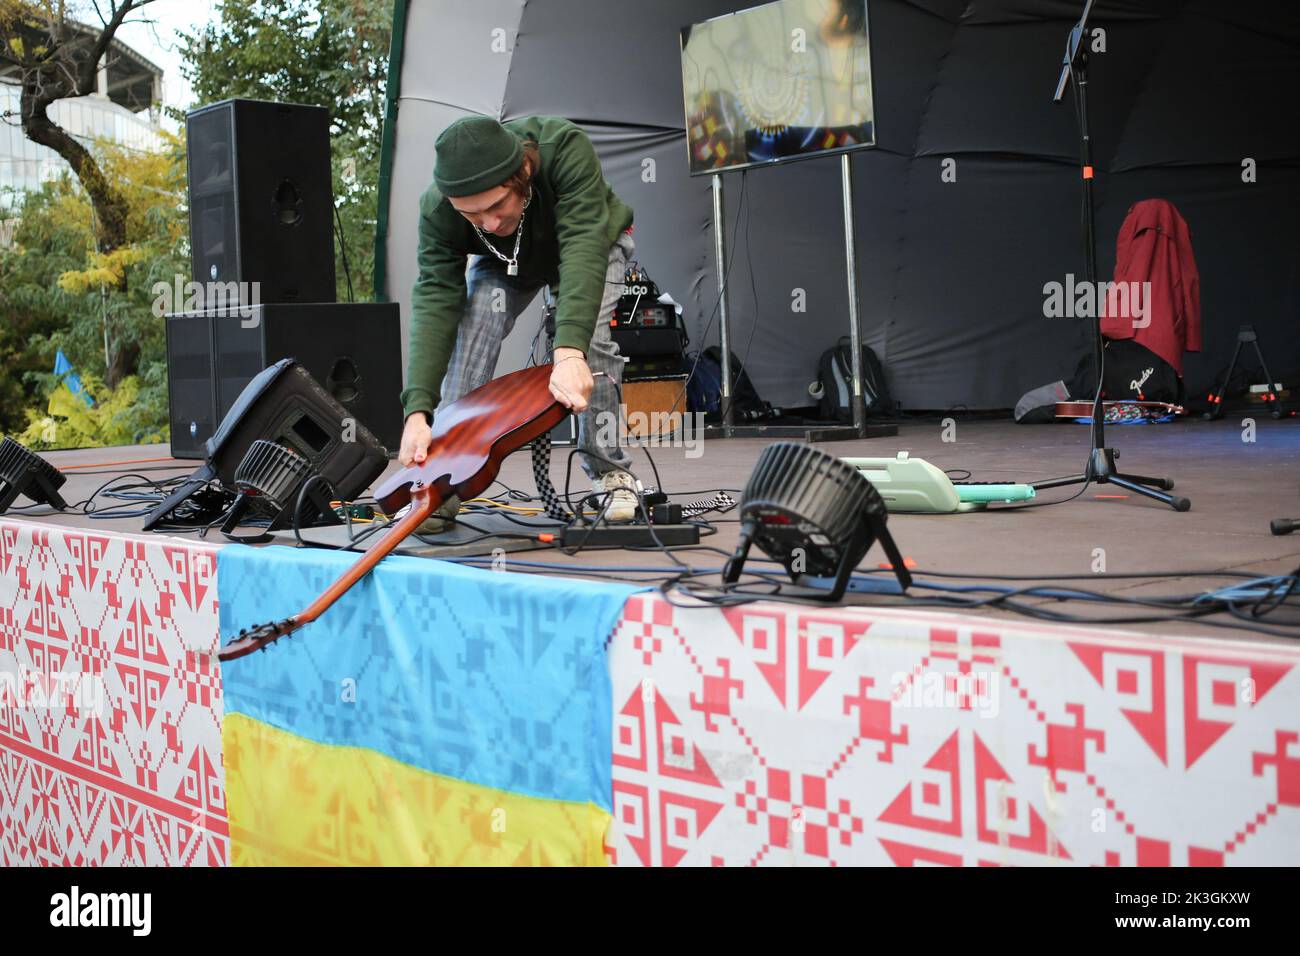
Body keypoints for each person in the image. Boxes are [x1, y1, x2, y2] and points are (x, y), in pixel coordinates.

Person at [398, 115, 639, 523]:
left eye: (496, 205)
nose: (490, 223)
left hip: (590, 243)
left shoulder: (564, 147)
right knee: (475, 326)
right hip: (505, 261)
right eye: (472, 216)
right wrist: (417, 411)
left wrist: (567, 353)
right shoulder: (439, 209)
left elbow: (582, 246)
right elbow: (436, 300)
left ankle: (609, 471)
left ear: (523, 172)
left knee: (589, 343)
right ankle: (442, 480)